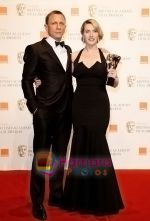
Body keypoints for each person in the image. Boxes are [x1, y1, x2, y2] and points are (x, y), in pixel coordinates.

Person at [61, 19, 124, 216]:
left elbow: (113, 83)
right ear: (82, 34)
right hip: (79, 106)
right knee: (80, 145)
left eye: (94, 31)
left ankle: (101, 198)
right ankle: (79, 198)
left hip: (99, 106)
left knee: (97, 146)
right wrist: (40, 82)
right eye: (87, 31)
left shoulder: (107, 55)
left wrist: (113, 76)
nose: (90, 34)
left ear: (99, 34)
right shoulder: (73, 56)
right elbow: (61, 79)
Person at [21, 10, 73, 220]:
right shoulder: (35, 49)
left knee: (59, 157)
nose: (58, 26)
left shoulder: (68, 50)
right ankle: (37, 203)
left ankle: (57, 195)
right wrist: (34, 107)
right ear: (47, 26)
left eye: (61, 23)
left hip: (65, 113)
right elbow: (26, 79)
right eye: (54, 23)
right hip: (44, 113)